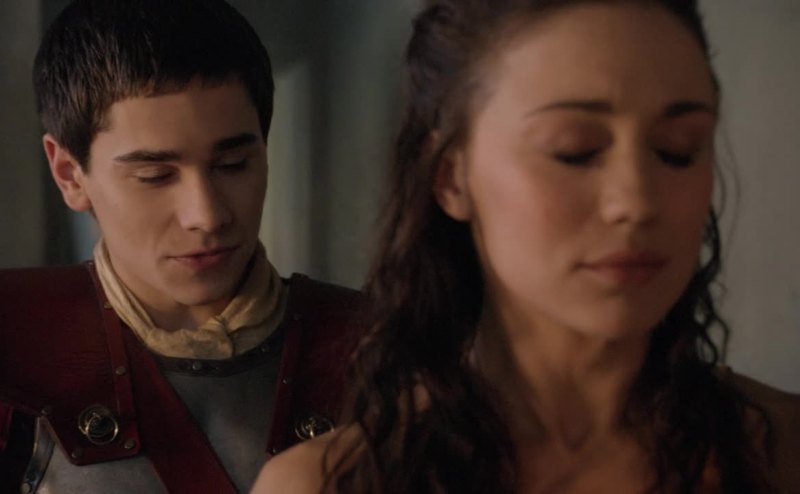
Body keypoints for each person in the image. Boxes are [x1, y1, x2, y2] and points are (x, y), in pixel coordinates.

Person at [252, 0, 800, 492]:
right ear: (451, 177)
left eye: (678, 150)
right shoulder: (329, 484)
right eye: (574, 150)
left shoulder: (780, 453)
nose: (636, 200)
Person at [0, 0, 362, 492]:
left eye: (233, 165)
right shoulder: (14, 346)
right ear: (70, 175)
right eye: (155, 175)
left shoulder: (380, 351)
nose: (206, 216)